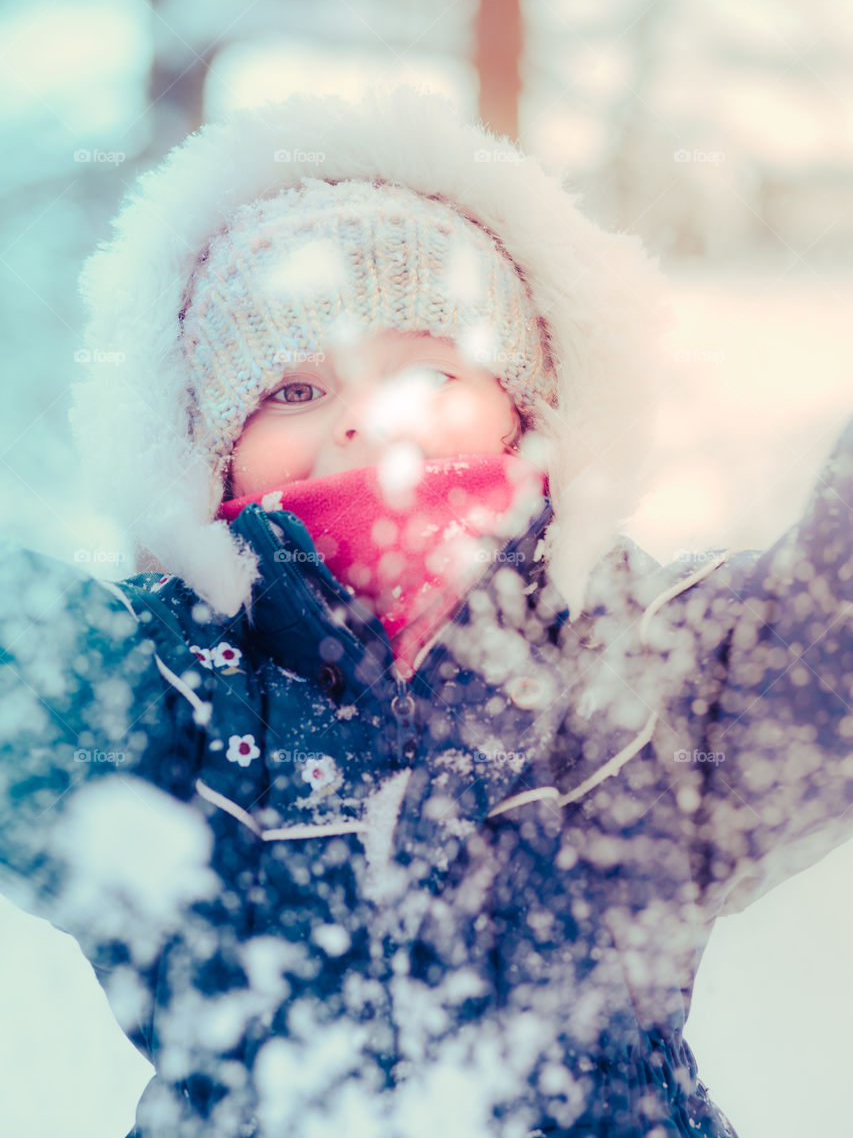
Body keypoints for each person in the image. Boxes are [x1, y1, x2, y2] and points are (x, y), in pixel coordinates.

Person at [1, 85, 851, 1138]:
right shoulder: (160, 685)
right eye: (293, 391)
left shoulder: (650, 660)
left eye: (428, 367)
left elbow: (830, 634)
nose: (368, 416)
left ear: (526, 408)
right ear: (208, 459)